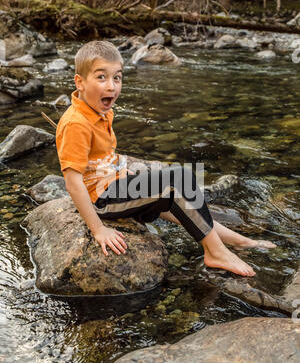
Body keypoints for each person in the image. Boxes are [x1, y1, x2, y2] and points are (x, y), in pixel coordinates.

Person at [56, 40, 276, 278]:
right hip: (101, 200)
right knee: (177, 181)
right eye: (101, 77)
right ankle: (215, 252)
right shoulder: (76, 122)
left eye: (117, 78)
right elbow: (72, 182)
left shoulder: (100, 110)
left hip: (112, 182)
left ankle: (235, 240)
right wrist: (98, 230)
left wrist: (121, 172)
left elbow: (101, 156)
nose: (111, 86)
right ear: (80, 82)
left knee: (175, 189)